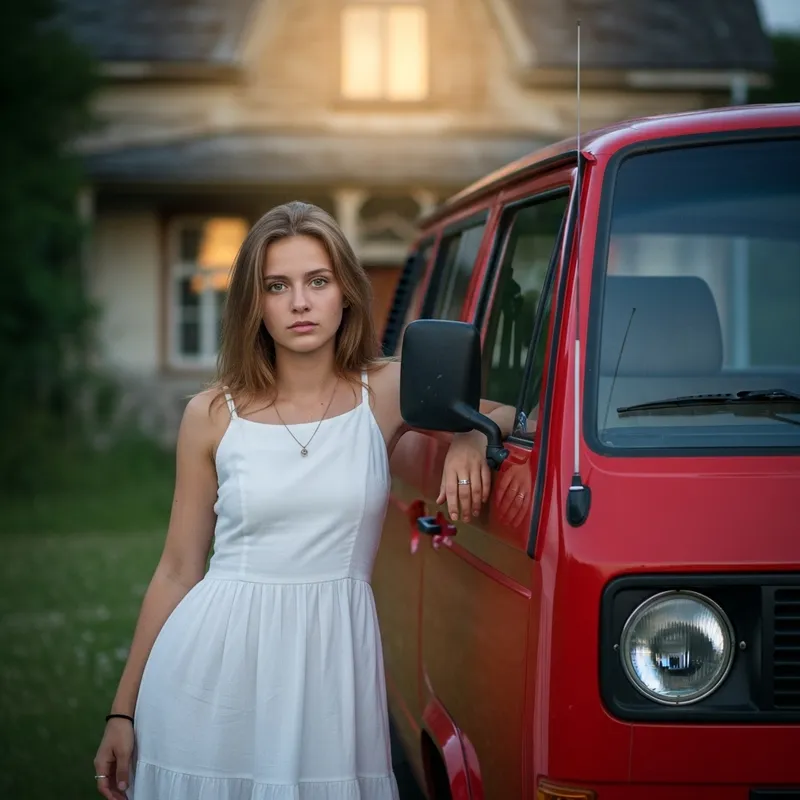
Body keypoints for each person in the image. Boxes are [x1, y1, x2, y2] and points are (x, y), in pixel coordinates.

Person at [93, 201, 514, 800]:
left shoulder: (383, 392)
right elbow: (178, 570)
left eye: (318, 281)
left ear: (346, 293)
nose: (299, 303)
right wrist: (122, 712)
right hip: (208, 674)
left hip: (329, 676)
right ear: (255, 304)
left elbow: (507, 415)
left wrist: (469, 437)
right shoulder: (211, 414)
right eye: (277, 286)